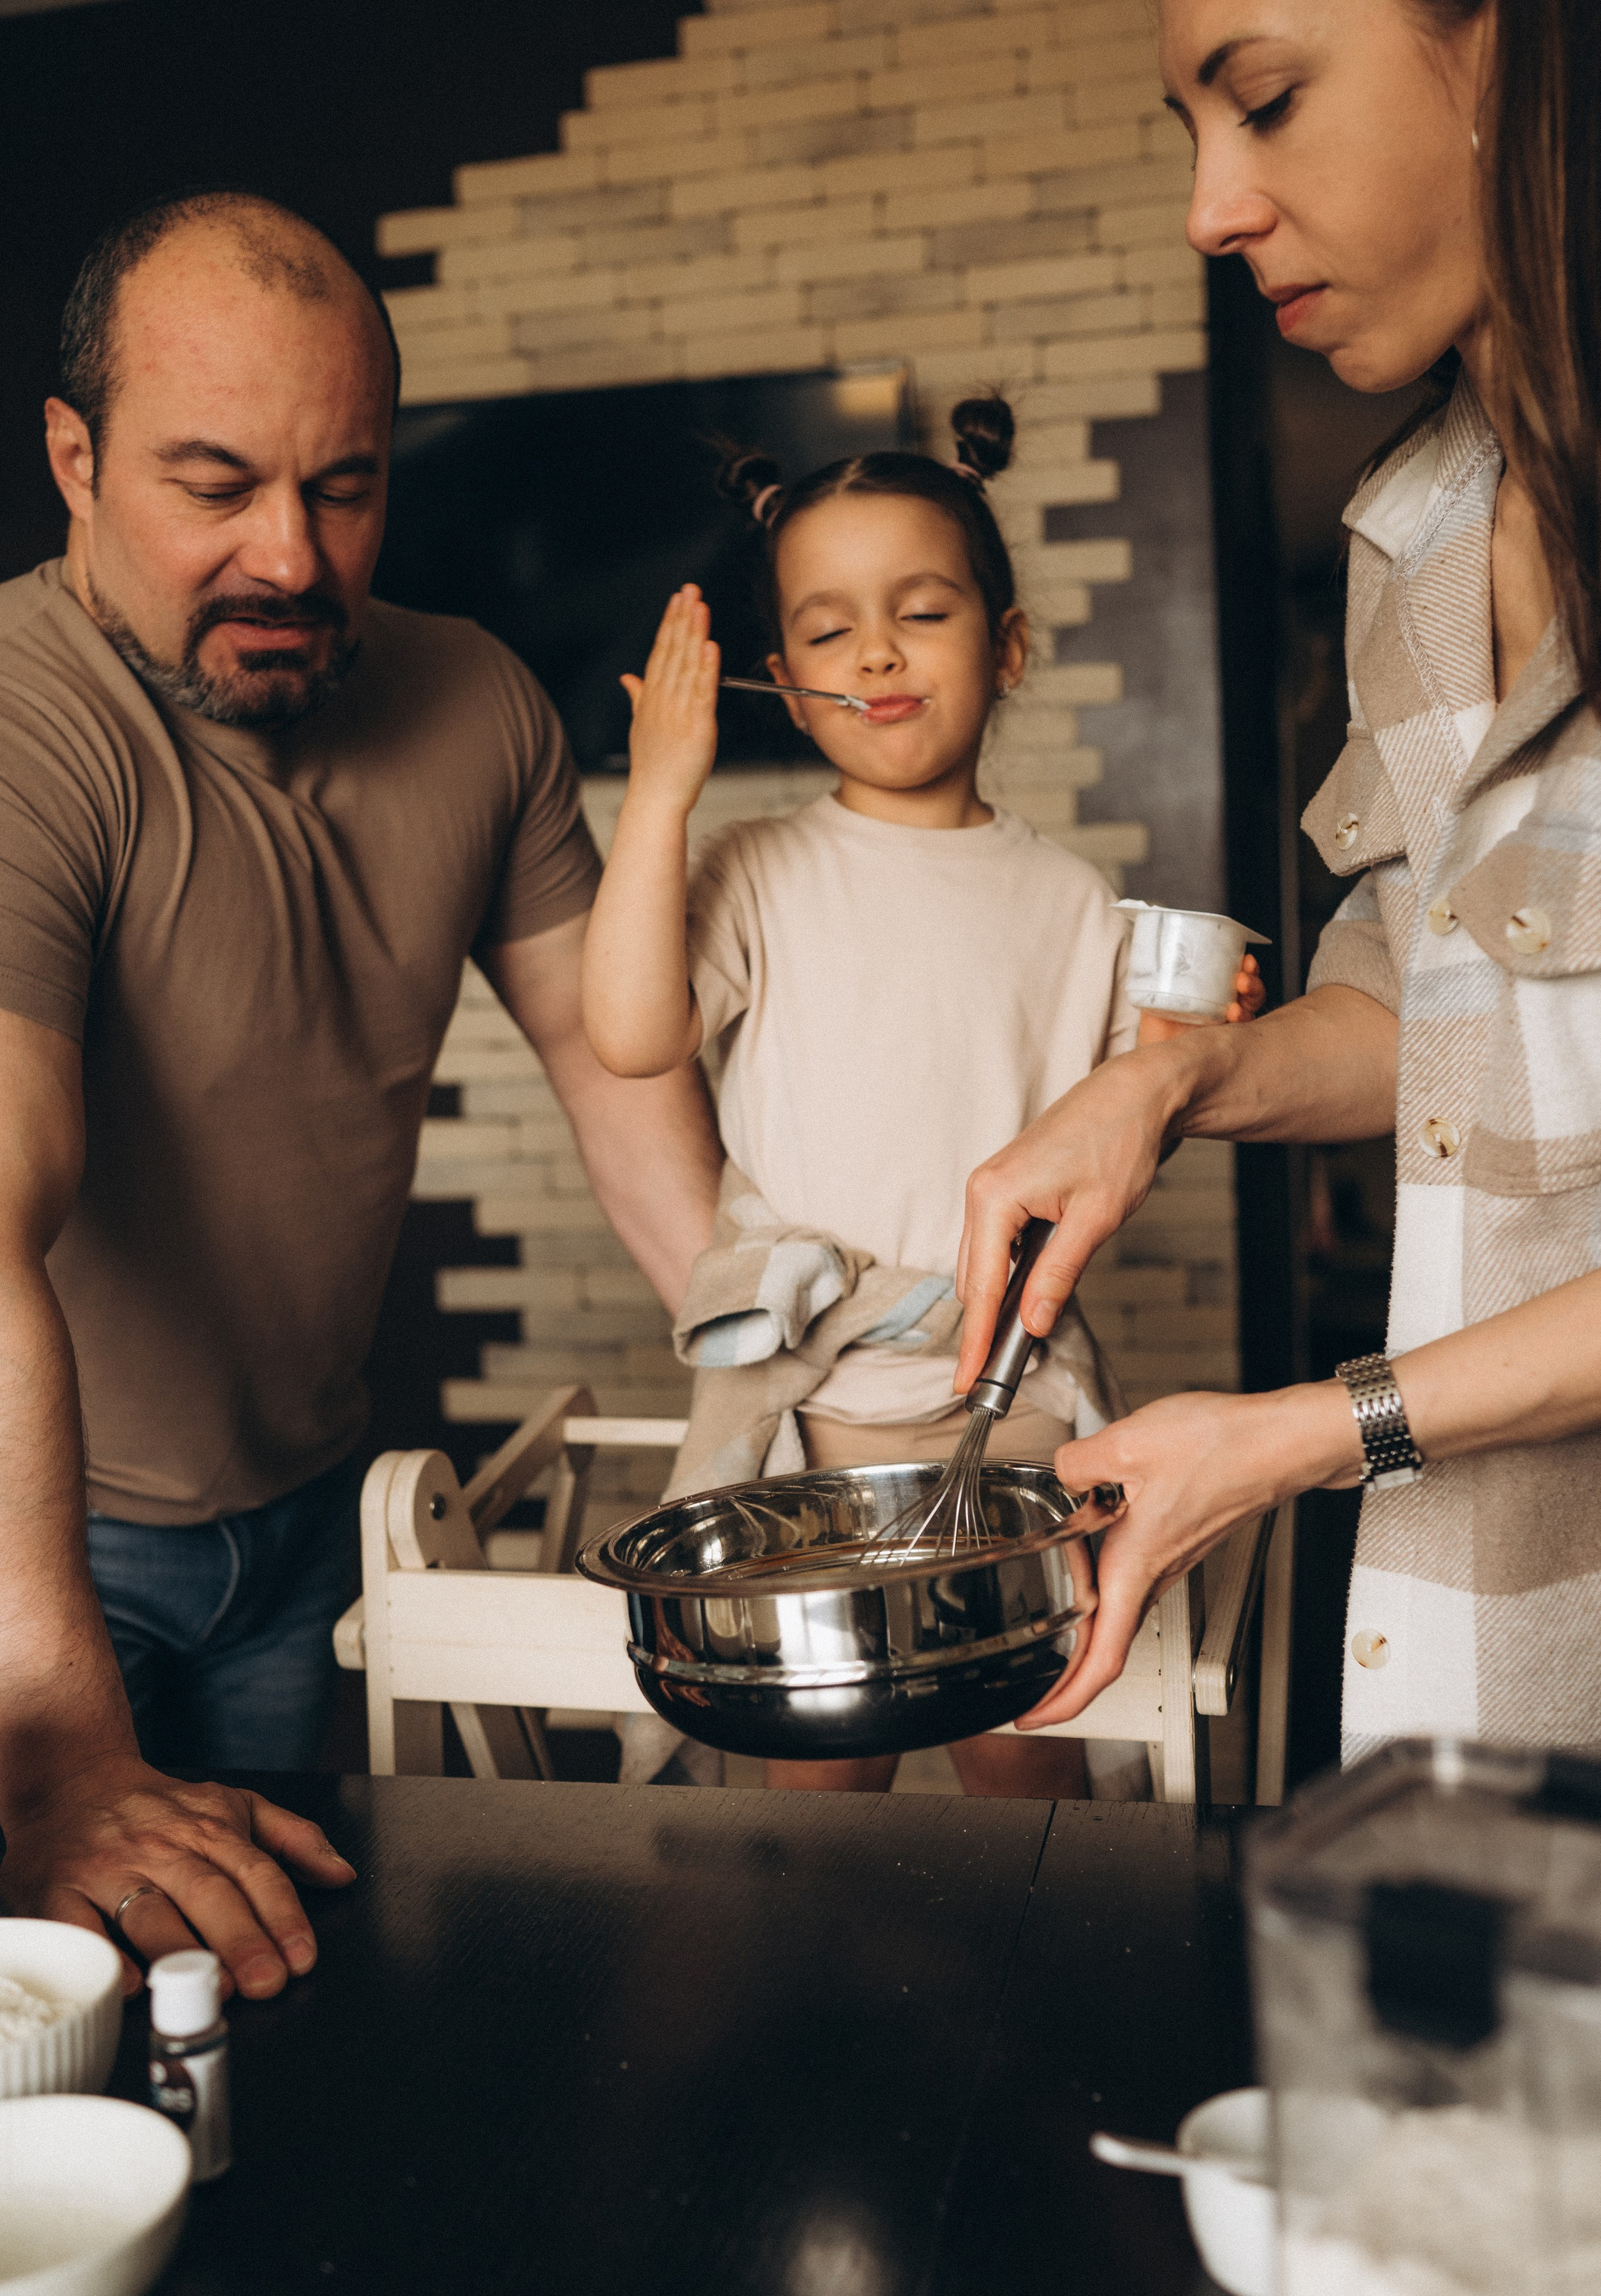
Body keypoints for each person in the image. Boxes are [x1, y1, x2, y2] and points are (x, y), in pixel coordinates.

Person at [0, 191, 720, 1993]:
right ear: (73, 459)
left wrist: (830, 1409)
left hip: (320, 1509)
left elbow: (634, 1119)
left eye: (342, 484)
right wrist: (60, 1740)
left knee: (299, 2007)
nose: (292, 559)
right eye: (214, 483)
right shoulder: (22, 715)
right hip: (33, 1557)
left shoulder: (478, 704)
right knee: (73, 2049)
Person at [954, 0, 1601, 1761]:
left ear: (1507, 46)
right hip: (1477, 1664)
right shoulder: (1407, 553)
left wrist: (1305, 1432)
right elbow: (1426, 1013)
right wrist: (1168, 1089)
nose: (1211, 210)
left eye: (1268, 102)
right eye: (1193, 134)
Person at [582, 398, 1261, 1796]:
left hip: (1004, 1410)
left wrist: (1179, 1055)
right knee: (818, 1772)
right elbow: (629, 1033)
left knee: (1027, 1763)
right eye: (828, 630)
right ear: (781, 672)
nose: (875, 651)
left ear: (1006, 647)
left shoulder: (1074, 903)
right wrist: (658, 798)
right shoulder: (755, 869)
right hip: (805, 1414)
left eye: (922, 611)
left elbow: (1113, 1148)